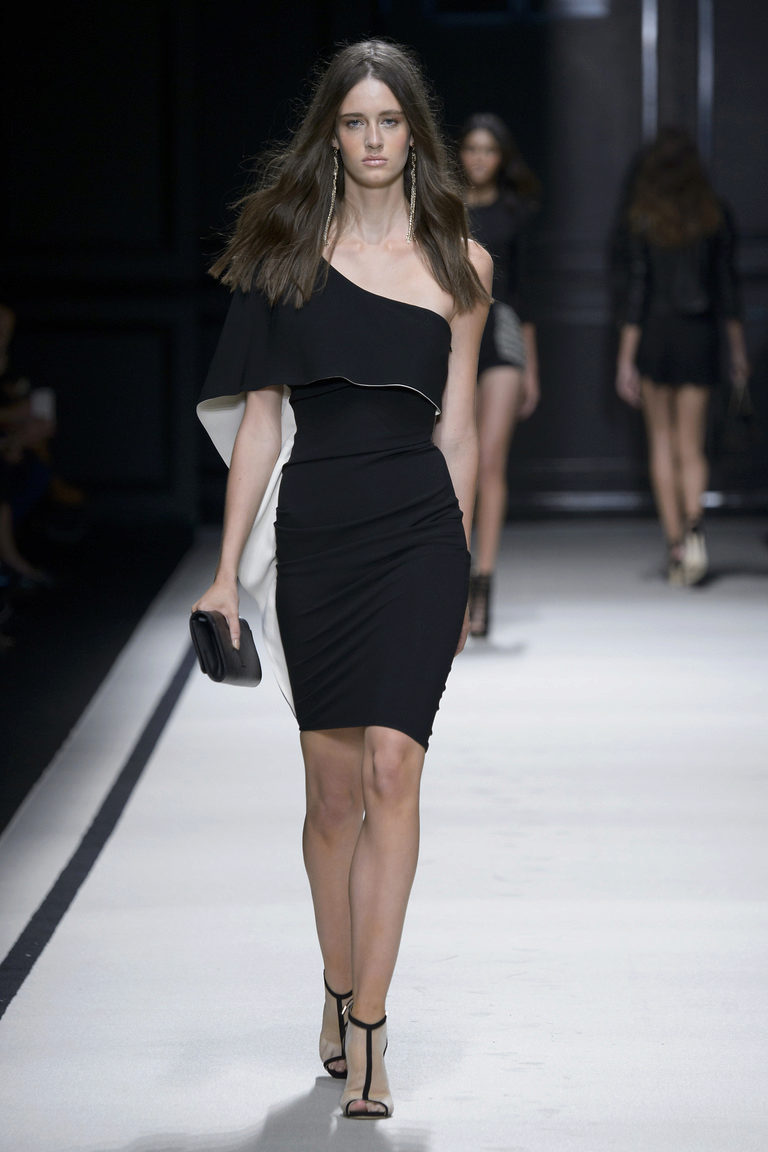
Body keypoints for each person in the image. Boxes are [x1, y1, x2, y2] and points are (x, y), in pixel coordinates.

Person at [193, 40, 492, 1119]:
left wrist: (463, 568)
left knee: (393, 772)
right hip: (319, 531)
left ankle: (369, 1022)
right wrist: (223, 576)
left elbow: (460, 429)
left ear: (415, 133)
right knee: (330, 798)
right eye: (355, 121)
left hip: (419, 533)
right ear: (332, 133)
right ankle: (335, 979)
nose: (373, 139)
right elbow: (259, 426)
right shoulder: (285, 257)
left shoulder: (461, 262)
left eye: (390, 121)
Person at [615, 127, 749, 585]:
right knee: (691, 445)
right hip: (699, 335)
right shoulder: (714, 215)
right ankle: (694, 527)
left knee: (661, 442)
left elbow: (637, 293)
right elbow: (728, 290)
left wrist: (625, 359)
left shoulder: (642, 217)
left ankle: (676, 546)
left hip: (656, 335)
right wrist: (738, 352)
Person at [457, 113, 541, 635]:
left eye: (489, 150)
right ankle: (457, 576)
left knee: (490, 463)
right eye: (472, 148)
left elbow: (525, 295)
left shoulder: (516, 213)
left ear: (501, 157)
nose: (480, 158)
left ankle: (484, 581)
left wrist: (532, 368)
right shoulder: (443, 209)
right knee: (458, 461)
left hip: (503, 333)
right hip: (455, 332)